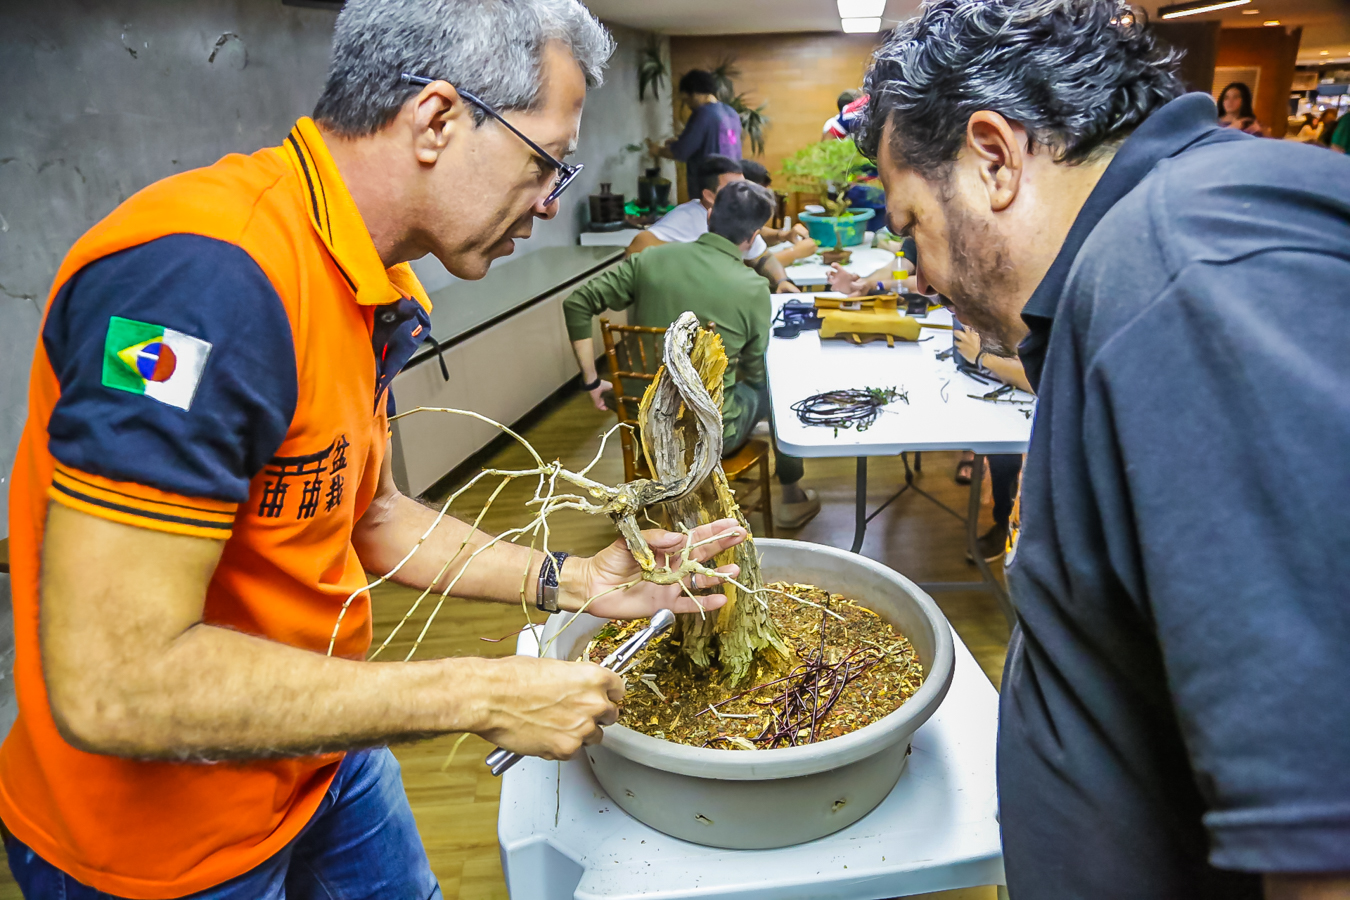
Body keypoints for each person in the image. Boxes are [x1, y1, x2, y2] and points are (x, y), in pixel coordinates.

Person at [0, 1, 750, 896]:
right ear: (437, 120)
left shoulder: (369, 278)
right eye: (544, 162)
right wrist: (480, 693)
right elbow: (116, 685)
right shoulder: (199, 285)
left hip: (322, 749)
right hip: (163, 844)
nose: (551, 200)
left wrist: (575, 579)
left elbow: (373, 514)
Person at [859, 1, 1350, 897]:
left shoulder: (1180, 272)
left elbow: (1322, 828)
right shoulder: (1155, 249)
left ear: (994, 158)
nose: (921, 278)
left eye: (911, 228)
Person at [563, 182, 821, 530]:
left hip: (645, 426)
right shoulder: (752, 287)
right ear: (753, 237)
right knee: (774, 387)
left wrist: (592, 382)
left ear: (709, 215)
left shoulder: (650, 260)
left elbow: (577, 303)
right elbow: (756, 371)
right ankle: (792, 496)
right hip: (709, 435)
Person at [627, 154, 800, 292]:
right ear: (709, 196)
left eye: (742, 186)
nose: (741, 193)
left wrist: (782, 281)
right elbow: (635, 248)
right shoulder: (685, 218)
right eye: (732, 188)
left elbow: (762, 256)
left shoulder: (736, 216)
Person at [952, 324, 1032, 562]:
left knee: (1003, 450)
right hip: (995, 381)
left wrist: (981, 357)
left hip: (1041, 403)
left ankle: (1006, 525)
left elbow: (1036, 377)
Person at [647, 69, 742, 194]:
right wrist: (678, 142)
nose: (688, 105)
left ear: (695, 93)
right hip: (734, 185)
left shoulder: (703, 113)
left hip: (711, 188)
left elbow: (681, 152)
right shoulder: (731, 113)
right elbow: (718, 143)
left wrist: (657, 150)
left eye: (687, 100)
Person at [738, 159, 818, 266]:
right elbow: (750, 269)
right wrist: (794, 253)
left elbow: (755, 231)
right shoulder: (722, 220)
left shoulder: (742, 221)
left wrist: (783, 235)